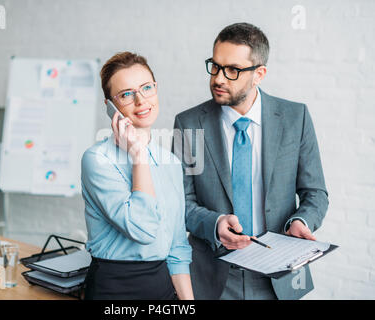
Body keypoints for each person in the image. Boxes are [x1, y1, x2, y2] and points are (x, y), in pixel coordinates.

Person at [173, 23, 328, 300]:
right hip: (213, 275)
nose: (218, 78)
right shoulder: (189, 125)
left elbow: (314, 192)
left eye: (232, 70)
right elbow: (182, 202)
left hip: (281, 274)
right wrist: (215, 223)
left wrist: (301, 220)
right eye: (215, 66)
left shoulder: (295, 118)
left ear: (259, 74)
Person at [81, 52, 193, 300]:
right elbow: (142, 229)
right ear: (110, 107)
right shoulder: (98, 160)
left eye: (146, 88)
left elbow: (177, 247)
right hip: (114, 289)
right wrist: (138, 155)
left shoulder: (171, 163)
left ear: (156, 89)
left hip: (163, 286)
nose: (141, 101)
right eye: (127, 94)